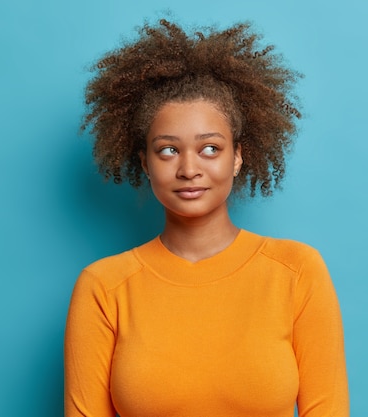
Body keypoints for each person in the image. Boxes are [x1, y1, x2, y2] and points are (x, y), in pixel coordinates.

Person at [65, 18, 349, 417]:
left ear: (238, 157)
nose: (188, 169)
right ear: (144, 163)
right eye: (167, 150)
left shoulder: (297, 271)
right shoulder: (104, 288)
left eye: (210, 149)